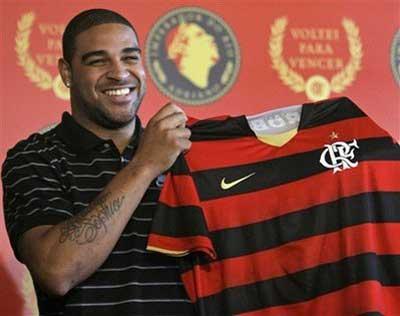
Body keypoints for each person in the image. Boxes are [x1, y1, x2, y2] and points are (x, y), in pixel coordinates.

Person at [2, 8, 194, 315]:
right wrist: (144, 166)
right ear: (67, 73)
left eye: (130, 57)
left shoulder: (186, 152)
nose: (119, 72)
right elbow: (57, 271)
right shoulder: (33, 158)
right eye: (98, 60)